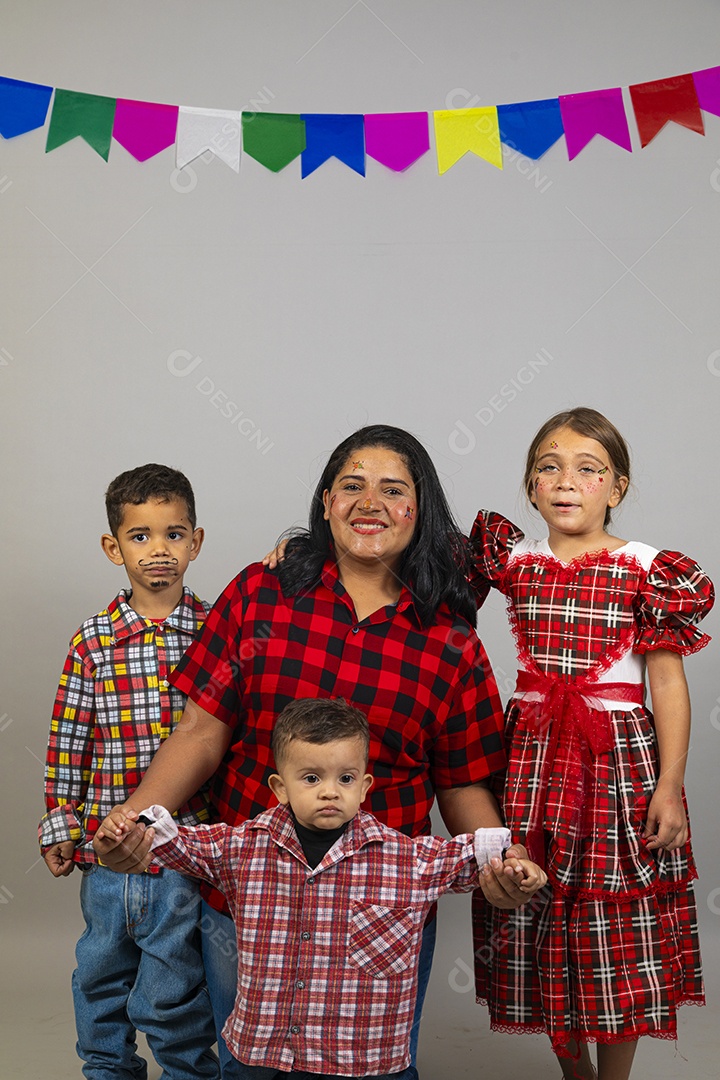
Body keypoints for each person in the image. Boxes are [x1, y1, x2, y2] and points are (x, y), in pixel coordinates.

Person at [94, 425, 545, 1079]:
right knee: (249, 1067)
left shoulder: (450, 642)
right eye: (352, 486)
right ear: (326, 502)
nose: (371, 502)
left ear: (421, 509)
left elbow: (464, 785)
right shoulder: (260, 593)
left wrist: (502, 863)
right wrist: (134, 819)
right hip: (251, 906)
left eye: (394, 489)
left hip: (381, 916)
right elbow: (198, 733)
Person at [104, 698, 546, 1079]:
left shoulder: (407, 858)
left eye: (345, 779)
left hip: (362, 1058)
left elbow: (478, 855)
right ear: (280, 787)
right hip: (262, 1052)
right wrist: (126, 829)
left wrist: (517, 865)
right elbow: (170, 841)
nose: (330, 792)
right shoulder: (241, 848)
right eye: (311, 778)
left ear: (365, 785)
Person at [468, 408, 714, 1080]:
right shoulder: (513, 560)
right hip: (531, 762)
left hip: (618, 765)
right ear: (530, 486)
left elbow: (666, 686)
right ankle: (573, 1072)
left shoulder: (648, 569)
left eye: (587, 468)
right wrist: (300, 548)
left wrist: (668, 787)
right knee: (539, 908)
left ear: (618, 487)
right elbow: (411, 566)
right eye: (548, 467)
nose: (566, 481)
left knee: (613, 926)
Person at [39, 464, 220, 1080]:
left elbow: (232, 738)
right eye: (140, 536)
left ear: (195, 542)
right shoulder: (92, 643)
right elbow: (68, 743)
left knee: (176, 979)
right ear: (113, 547)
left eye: (173, 534)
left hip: (181, 850)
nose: (159, 550)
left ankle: (188, 1071)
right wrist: (60, 825)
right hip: (104, 848)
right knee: (100, 973)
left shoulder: (216, 632)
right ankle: (107, 1068)